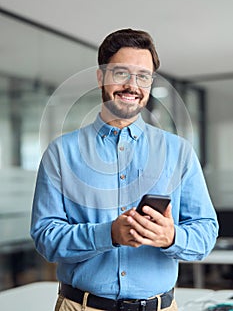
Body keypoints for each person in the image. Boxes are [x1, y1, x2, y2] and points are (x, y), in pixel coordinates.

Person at [31, 28, 218, 311]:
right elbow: (46, 237)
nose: (132, 85)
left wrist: (171, 237)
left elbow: (206, 231)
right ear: (100, 77)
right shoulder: (61, 153)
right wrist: (109, 234)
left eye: (143, 76)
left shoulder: (178, 152)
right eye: (121, 73)